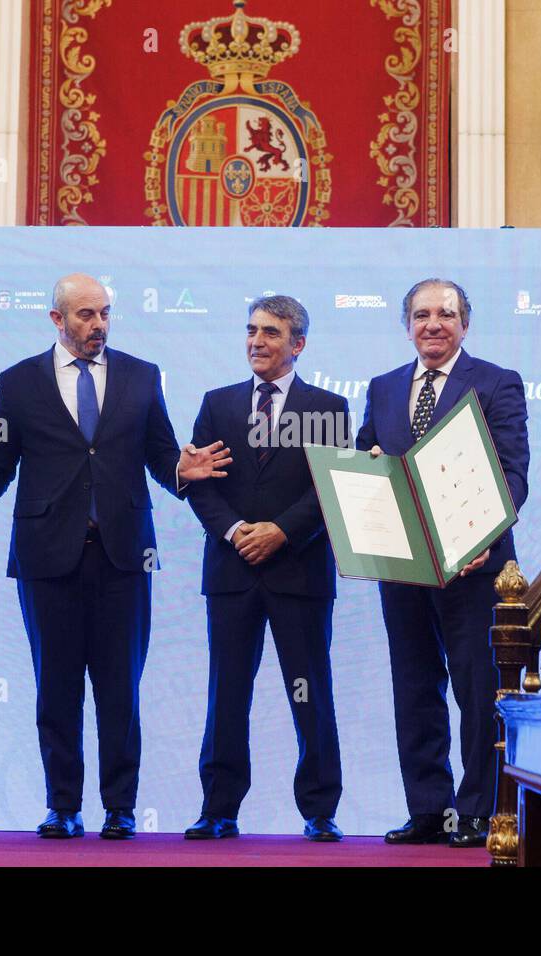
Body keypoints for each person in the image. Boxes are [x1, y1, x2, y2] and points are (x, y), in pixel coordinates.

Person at [0, 273, 231, 841]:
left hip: (124, 557)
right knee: (56, 689)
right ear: (57, 319)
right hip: (46, 558)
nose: (99, 325)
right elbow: (0, 463)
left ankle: (120, 808)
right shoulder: (18, 382)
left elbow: (161, 454)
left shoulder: (142, 376)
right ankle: (62, 805)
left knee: (121, 690)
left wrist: (181, 472)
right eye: (87, 315)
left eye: (105, 313)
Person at [356, 278, 529, 848]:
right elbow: (365, 456)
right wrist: (366, 471)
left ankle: (479, 810)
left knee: (478, 689)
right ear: (407, 325)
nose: (433, 324)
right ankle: (429, 809)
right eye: (422, 314)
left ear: (464, 324)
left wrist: (481, 536)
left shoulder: (498, 382)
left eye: (446, 314)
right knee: (414, 687)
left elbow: (512, 472)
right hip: (403, 564)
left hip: (474, 566)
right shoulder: (383, 387)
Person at [182, 295, 349, 842]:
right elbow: (198, 483)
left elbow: (330, 489)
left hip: (299, 572)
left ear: (298, 344)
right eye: (251, 329)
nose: (257, 340)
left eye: (271, 332)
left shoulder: (329, 407)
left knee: (310, 691)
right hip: (231, 572)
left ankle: (320, 810)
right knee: (227, 693)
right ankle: (218, 809)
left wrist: (281, 531)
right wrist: (236, 531)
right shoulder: (216, 404)